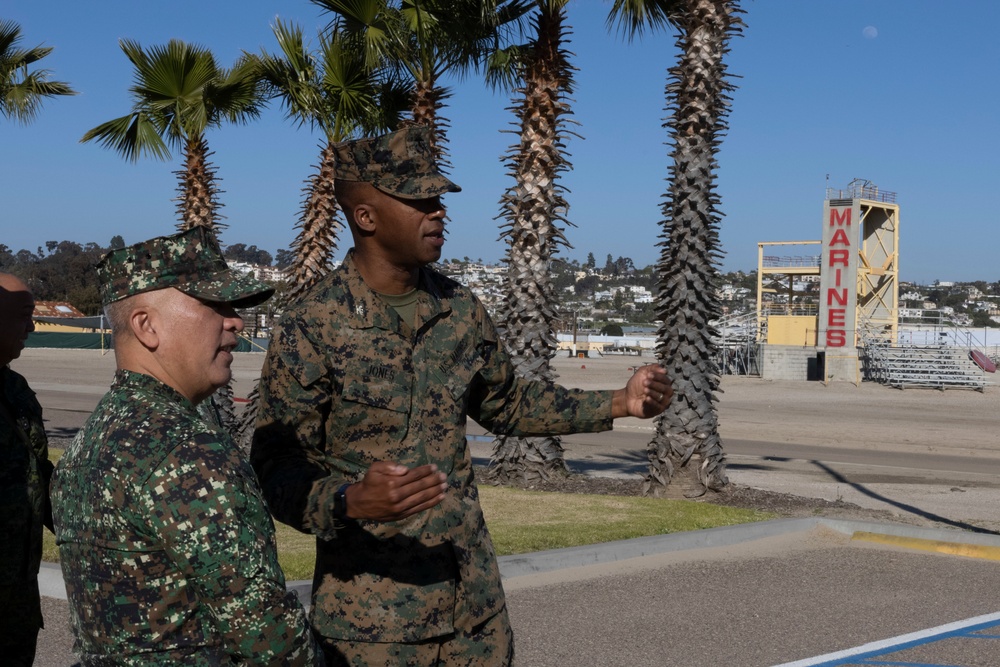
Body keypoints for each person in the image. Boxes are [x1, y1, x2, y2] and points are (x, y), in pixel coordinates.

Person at [251, 125, 673, 666]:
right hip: (372, 626)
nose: (438, 211)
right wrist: (346, 500)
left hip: (473, 613)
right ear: (366, 216)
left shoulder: (461, 309)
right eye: (419, 199)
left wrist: (617, 401)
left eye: (439, 198)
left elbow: (506, 404)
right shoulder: (314, 326)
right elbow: (275, 464)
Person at [51, 227, 322, 665]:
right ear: (147, 325)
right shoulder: (186, 451)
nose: (234, 320)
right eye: (214, 306)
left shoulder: (94, 436)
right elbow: (268, 638)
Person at [0, 272, 52, 666]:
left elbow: (39, 474)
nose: (31, 326)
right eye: (23, 315)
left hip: (16, 603)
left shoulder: (14, 388)